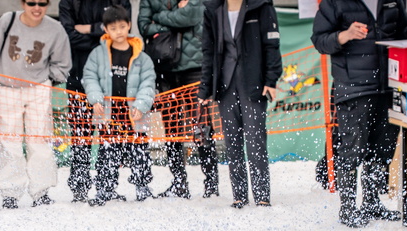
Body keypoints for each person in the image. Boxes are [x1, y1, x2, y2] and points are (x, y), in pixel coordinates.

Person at [312, 0, 407, 227]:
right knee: (352, 149)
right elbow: (320, 41)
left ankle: (372, 203)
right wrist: (345, 35)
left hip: (389, 85)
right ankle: (348, 209)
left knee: (383, 148)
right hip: (354, 89)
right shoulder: (334, 3)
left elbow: (402, 30)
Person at [0, 0, 70, 209]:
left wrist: (49, 78)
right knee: (10, 141)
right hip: (6, 86)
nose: (37, 8)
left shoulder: (55, 29)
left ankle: (41, 191)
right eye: (32, 3)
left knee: (39, 140)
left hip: (38, 88)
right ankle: (10, 191)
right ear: (23, 3)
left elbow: (63, 62)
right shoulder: (6, 21)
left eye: (42, 3)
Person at [199, 0, 281, 209]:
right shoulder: (213, 10)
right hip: (225, 86)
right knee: (232, 143)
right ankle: (239, 195)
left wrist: (271, 80)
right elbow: (208, 52)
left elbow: (271, 44)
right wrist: (205, 88)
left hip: (253, 82)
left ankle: (262, 195)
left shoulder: (261, 6)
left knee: (255, 141)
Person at [140, 0, 219, 199]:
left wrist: (159, 18)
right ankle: (179, 182)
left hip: (193, 67)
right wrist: (176, 20)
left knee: (201, 125)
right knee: (172, 129)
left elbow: (191, 16)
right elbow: (143, 25)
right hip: (164, 67)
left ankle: (211, 183)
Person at [82, 5, 155, 204]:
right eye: (113, 28)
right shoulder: (97, 54)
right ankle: (106, 189)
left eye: (122, 27)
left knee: (139, 151)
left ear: (129, 25)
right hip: (108, 113)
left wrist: (141, 105)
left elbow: (148, 84)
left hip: (134, 114)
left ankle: (142, 187)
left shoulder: (141, 56)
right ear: (105, 29)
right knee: (108, 152)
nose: (119, 32)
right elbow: (89, 77)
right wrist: (96, 99)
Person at [59, 0, 130, 202]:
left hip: (111, 78)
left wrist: (87, 29)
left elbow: (120, 31)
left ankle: (107, 186)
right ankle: (79, 187)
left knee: (111, 135)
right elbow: (68, 35)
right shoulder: (68, 2)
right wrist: (100, 36)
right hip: (77, 77)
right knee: (80, 135)